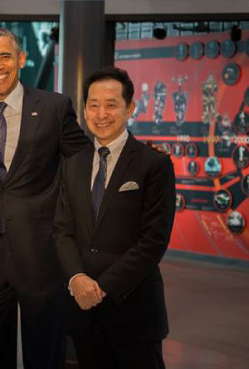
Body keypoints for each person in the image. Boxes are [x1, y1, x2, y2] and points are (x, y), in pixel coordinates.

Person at [0, 27, 89, 368]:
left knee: (43, 354)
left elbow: (83, 165)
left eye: (4, 56)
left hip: (41, 254)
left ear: (21, 59)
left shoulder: (54, 107)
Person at [53, 66, 176, 369]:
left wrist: (102, 287)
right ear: (84, 110)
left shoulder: (154, 164)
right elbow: (62, 229)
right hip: (83, 310)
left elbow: (153, 241)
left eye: (111, 104)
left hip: (133, 310)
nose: (101, 113)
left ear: (130, 108)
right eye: (93, 105)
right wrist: (77, 278)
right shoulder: (73, 164)